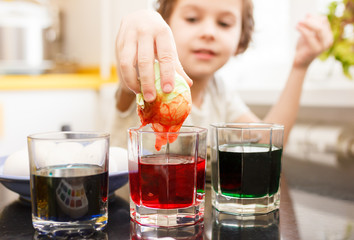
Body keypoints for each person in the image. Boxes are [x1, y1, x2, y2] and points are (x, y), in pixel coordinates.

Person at [111, 0, 333, 148]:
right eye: (192, 19)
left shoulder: (220, 92)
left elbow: (268, 142)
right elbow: (131, 69)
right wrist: (142, 21)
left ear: (240, 40)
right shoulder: (148, 76)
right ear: (165, 27)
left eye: (224, 23)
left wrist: (300, 66)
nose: (208, 32)